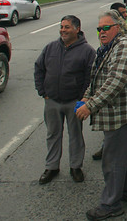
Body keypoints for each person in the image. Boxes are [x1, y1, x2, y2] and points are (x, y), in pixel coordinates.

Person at [75, 10, 127, 220]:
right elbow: (98, 77)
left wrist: (91, 105)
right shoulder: (109, 47)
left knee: (112, 160)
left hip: (121, 114)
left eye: (106, 27)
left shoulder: (125, 46)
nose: (101, 32)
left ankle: (110, 204)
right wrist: (88, 96)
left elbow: (115, 82)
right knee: (123, 155)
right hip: (117, 112)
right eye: (99, 29)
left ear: (119, 27)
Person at [34, 15, 95, 185]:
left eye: (67, 27)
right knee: (53, 134)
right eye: (62, 27)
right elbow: (39, 68)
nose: (63, 30)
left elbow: (90, 77)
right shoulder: (51, 47)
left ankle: (76, 166)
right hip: (52, 100)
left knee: (75, 135)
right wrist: (42, 91)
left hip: (73, 101)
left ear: (77, 29)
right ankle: (51, 166)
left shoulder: (87, 51)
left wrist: (83, 98)